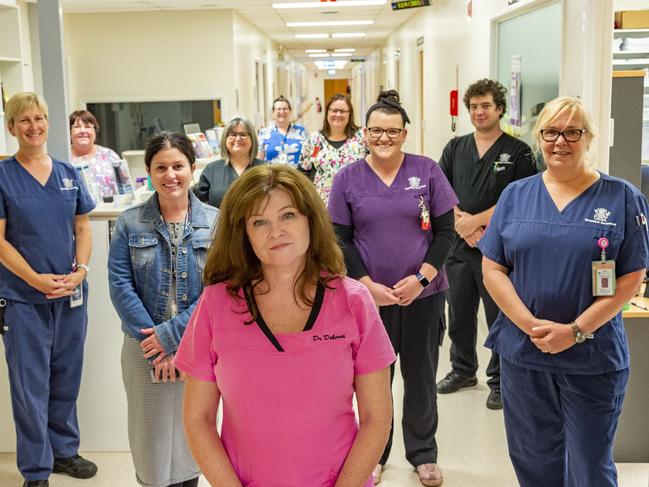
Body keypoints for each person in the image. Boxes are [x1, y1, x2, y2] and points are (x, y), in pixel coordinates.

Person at [174, 164, 395, 487]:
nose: (275, 231)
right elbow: (199, 419)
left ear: (310, 220)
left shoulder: (353, 301)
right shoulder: (216, 304)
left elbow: (377, 419)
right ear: (244, 234)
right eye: (259, 222)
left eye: (288, 215)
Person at [479, 96, 649, 486]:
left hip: (592, 355)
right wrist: (530, 326)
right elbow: (493, 267)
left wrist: (573, 331)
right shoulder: (515, 195)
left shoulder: (621, 197)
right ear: (539, 138)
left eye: (572, 131)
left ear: (588, 138)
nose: (561, 141)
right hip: (525, 354)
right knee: (533, 459)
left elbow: (632, 275)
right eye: (551, 132)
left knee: (590, 465)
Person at [328, 90, 458, 487]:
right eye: (376, 131)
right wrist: (366, 285)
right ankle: (374, 454)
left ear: (405, 133)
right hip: (368, 301)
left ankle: (423, 454)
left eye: (392, 131)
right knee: (373, 381)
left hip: (424, 296)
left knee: (421, 377)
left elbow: (446, 232)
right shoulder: (347, 178)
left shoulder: (428, 170)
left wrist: (422, 279)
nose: (384, 138)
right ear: (364, 134)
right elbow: (340, 238)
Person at [108, 132, 218, 487]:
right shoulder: (129, 222)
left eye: (178, 166)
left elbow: (219, 289)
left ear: (192, 167)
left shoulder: (216, 222)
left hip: (197, 345)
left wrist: (171, 337)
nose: (170, 175)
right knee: (151, 440)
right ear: (149, 172)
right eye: (161, 167)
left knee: (191, 436)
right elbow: (120, 285)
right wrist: (156, 345)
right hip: (143, 349)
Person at [0, 92, 97, 487]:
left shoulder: (67, 173)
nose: (34, 126)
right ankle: (36, 469)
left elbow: (83, 227)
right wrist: (35, 280)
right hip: (24, 299)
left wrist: (82, 270)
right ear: (11, 128)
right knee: (30, 384)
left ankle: (64, 453)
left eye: (39, 118)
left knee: (66, 376)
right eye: (24, 120)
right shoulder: (3, 176)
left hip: (69, 296)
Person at [436, 79, 537, 410]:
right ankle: (463, 370)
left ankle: (500, 379)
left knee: (500, 318)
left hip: (501, 251)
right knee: (460, 314)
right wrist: (465, 229)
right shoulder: (455, 147)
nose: (479, 112)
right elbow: (442, 192)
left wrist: (477, 222)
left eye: (485, 106)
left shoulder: (518, 151)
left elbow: (521, 199)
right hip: (460, 249)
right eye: (473, 107)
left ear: (500, 109)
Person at [300, 93, 367, 205]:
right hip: (323, 206)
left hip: (357, 204)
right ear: (327, 112)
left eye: (343, 111)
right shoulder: (314, 140)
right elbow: (304, 173)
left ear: (349, 114)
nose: (338, 114)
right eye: (334, 110)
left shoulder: (362, 138)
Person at [193, 117, 264, 208]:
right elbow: (201, 207)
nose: (238, 139)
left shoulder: (265, 170)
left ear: (252, 139)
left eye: (243, 134)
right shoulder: (211, 170)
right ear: (225, 139)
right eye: (233, 134)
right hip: (219, 222)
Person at [69, 109, 121, 201]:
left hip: (109, 213)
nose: (83, 131)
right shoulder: (64, 159)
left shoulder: (110, 156)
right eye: (76, 127)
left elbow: (124, 189)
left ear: (95, 131)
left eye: (88, 126)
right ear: (69, 132)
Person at [258, 95, 308, 165]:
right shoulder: (264, 133)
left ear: (290, 111)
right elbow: (259, 160)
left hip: (296, 175)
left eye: (285, 109)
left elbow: (309, 155)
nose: (282, 112)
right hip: (271, 175)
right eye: (278, 109)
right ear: (273, 113)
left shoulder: (302, 131)